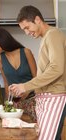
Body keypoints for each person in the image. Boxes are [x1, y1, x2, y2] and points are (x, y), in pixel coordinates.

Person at [9, 5, 66, 140]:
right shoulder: (46, 37)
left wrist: (26, 86)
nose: (27, 33)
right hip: (46, 98)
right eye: (24, 30)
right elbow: (47, 72)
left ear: (37, 19)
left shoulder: (53, 35)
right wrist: (27, 88)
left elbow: (57, 68)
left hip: (54, 97)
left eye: (27, 28)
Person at [0, 27, 37, 120]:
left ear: (2, 41)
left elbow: (36, 78)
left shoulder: (26, 52)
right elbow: (6, 83)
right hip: (15, 104)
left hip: (32, 102)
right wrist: (7, 105)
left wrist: (27, 90)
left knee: (33, 131)